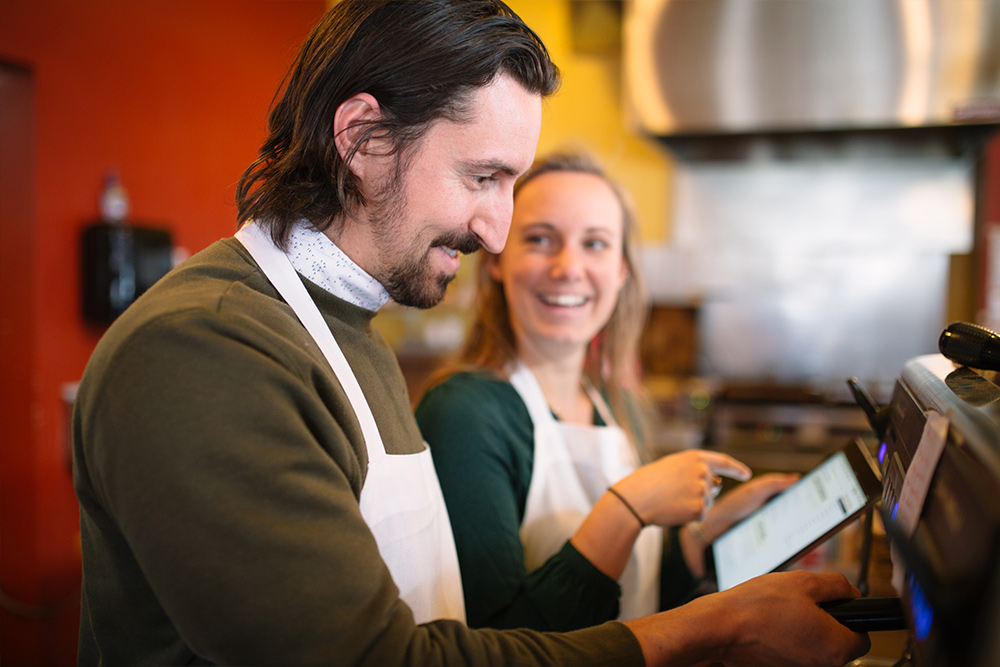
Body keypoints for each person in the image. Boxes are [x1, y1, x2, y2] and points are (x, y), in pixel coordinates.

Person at [72, 1, 870, 666]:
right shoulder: (203, 350)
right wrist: (717, 623)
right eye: (482, 177)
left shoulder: (350, 332)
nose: (498, 232)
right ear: (363, 141)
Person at [414, 151, 802, 630]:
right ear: (496, 261)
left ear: (620, 272)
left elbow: (634, 597)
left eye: (595, 244)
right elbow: (492, 642)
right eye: (539, 239)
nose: (568, 267)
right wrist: (628, 510)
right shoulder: (465, 413)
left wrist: (701, 540)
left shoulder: (612, 407)